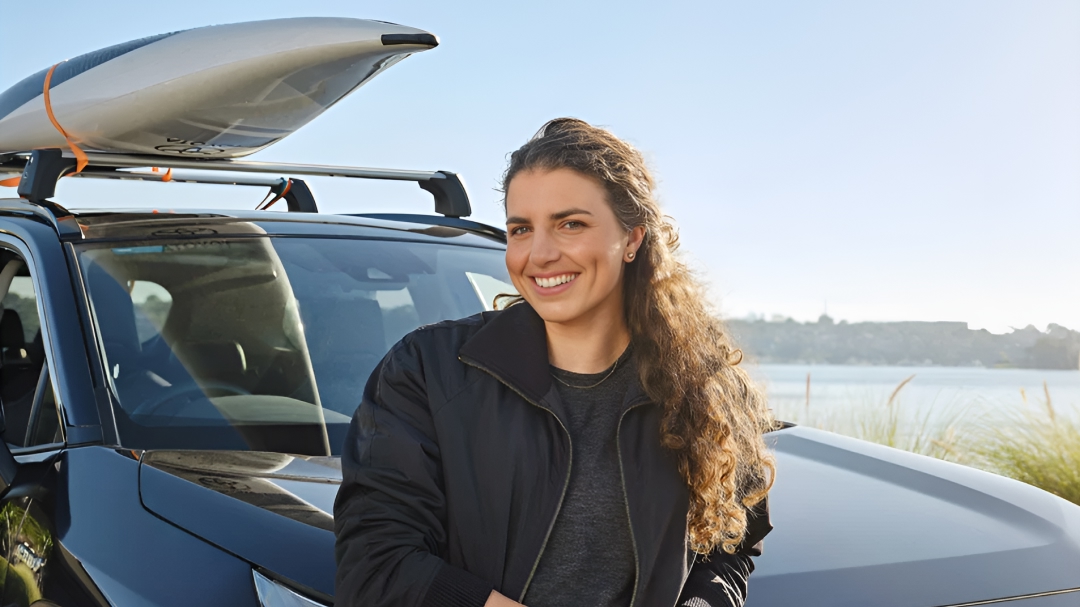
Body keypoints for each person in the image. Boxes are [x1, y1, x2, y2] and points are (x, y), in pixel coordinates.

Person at [334, 118, 777, 607]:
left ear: (632, 239)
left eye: (571, 224)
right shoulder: (427, 372)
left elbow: (731, 545)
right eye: (521, 229)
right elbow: (376, 562)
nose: (539, 254)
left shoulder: (702, 382)